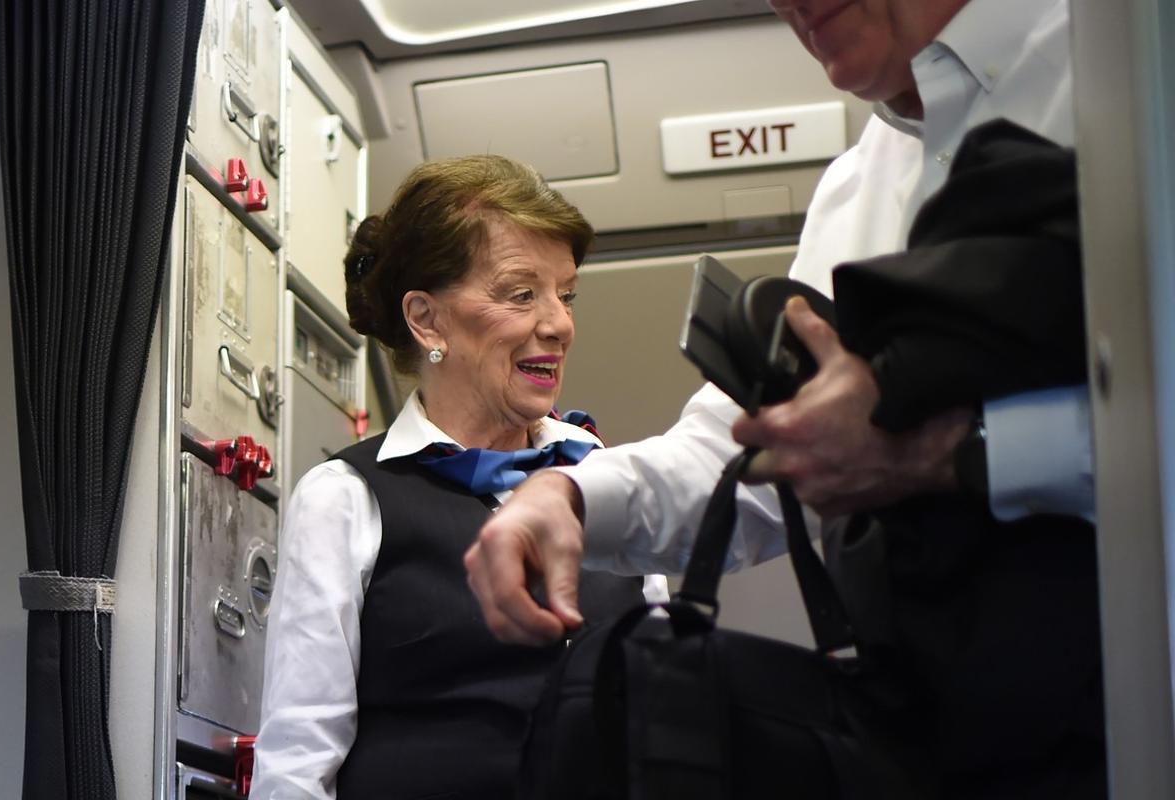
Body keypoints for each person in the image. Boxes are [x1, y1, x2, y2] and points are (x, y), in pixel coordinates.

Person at [464, 2, 1103, 798]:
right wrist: (565, 495)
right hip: (930, 722)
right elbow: (746, 443)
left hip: (1124, 708)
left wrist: (956, 455)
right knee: (619, 700)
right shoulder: (861, 180)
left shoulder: (1121, 63)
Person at [251, 154, 663, 800]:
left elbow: (666, 711)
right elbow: (297, 767)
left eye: (566, 294)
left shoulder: (608, 476)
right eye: (521, 294)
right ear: (426, 320)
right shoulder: (346, 500)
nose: (559, 324)